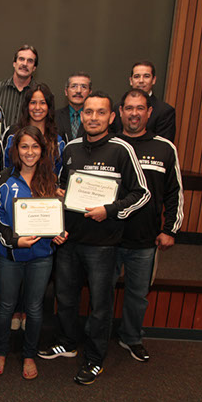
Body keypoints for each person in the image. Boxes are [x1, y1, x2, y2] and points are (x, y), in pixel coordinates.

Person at [38, 91, 150, 386]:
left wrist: (110, 211)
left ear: (111, 117)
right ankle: (67, 341)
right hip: (70, 240)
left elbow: (142, 194)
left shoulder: (121, 149)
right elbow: (63, 188)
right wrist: (58, 211)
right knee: (66, 297)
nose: (93, 118)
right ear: (81, 115)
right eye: (88, 112)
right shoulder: (71, 147)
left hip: (103, 244)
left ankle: (95, 358)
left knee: (100, 305)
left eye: (100, 113)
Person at [0, 126, 67, 380]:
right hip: (10, 256)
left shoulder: (51, 180)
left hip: (42, 256)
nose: (30, 152)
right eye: (24, 146)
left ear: (42, 151)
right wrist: (14, 241)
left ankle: (29, 355)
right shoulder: (3, 179)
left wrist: (59, 232)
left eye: (35, 147)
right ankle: (0, 352)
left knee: (34, 308)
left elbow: (56, 216)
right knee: (6, 307)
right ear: (16, 149)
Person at [114, 88, 184, 361]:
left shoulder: (164, 148)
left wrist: (169, 230)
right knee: (102, 291)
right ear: (120, 112)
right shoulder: (110, 144)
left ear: (149, 112)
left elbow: (174, 192)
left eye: (140, 108)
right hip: (109, 236)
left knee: (137, 294)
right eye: (129, 108)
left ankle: (131, 338)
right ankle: (96, 336)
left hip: (145, 238)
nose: (134, 113)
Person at [3, 83, 65, 175]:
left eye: (42, 103)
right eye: (33, 102)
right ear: (27, 106)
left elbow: (58, 174)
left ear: (49, 107)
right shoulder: (12, 134)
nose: (37, 107)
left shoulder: (57, 140)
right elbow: (5, 168)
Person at [111, 61, 176, 142]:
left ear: (153, 80)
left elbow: (164, 147)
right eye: (137, 76)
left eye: (146, 76)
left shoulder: (165, 111)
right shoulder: (117, 108)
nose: (141, 81)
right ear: (131, 81)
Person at [0, 44, 38, 127]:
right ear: (14, 63)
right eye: (21, 59)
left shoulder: (39, 93)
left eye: (30, 61)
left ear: (34, 68)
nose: (25, 64)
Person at [54, 72, 92, 143]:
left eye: (83, 87)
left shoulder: (95, 118)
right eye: (74, 86)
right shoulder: (54, 116)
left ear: (90, 92)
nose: (78, 91)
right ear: (66, 91)